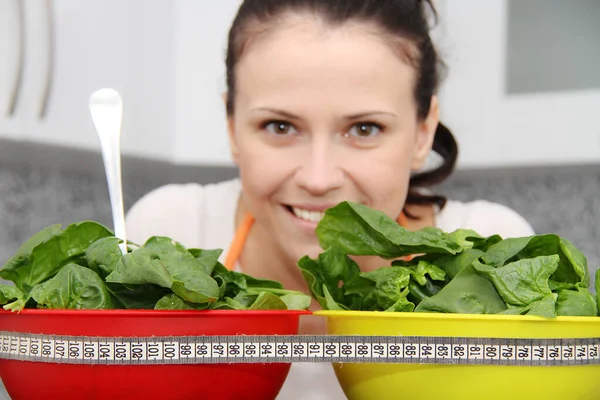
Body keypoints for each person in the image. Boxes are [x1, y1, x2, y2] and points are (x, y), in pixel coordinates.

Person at [125, 0, 535, 398]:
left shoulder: (492, 259)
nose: (318, 179)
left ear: (423, 131)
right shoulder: (168, 238)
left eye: (364, 130)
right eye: (280, 126)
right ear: (232, 128)